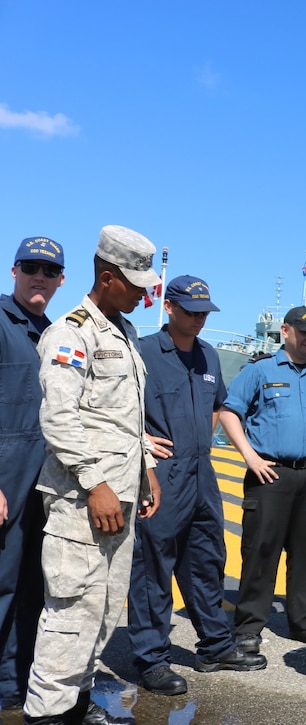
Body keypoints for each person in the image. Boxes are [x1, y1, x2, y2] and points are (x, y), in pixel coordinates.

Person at [23, 226, 164, 725]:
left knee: (103, 612)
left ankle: (77, 705)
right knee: (70, 615)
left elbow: (123, 417)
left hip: (118, 496)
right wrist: (96, 483)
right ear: (107, 277)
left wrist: (145, 470)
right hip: (82, 500)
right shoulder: (71, 332)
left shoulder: (124, 334)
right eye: (136, 282)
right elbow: (59, 417)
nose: (146, 291)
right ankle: (47, 714)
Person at [128, 275, 266, 697]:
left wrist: (199, 445)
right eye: (191, 311)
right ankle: (152, 659)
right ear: (168, 308)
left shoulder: (207, 354)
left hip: (201, 469)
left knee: (207, 559)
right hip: (163, 471)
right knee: (154, 566)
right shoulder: (144, 352)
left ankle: (215, 647)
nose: (200, 319)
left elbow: (216, 405)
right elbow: (119, 403)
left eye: (204, 312)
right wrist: (140, 439)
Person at [219, 306, 306, 655]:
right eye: (303, 331)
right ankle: (249, 627)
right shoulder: (260, 371)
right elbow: (231, 412)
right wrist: (249, 456)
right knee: (261, 549)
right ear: (285, 331)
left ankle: (305, 622)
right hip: (270, 473)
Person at [0, 238, 64, 713]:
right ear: (14, 271)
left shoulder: (58, 335)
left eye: (49, 270)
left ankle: (15, 683)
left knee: (34, 585)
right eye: (30, 267)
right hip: (7, 472)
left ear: (61, 280)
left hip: (48, 478)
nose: (38, 277)